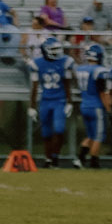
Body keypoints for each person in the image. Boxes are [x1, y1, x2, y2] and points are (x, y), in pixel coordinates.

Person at [28, 36, 73, 167]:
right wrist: (32, 106)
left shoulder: (65, 61)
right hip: (45, 100)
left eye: (57, 49)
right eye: (53, 50)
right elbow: (34, 87)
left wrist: (69, 102)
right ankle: (48, 159)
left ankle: (55, 158)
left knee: (59, 130)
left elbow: (67, 83)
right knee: (46, 132)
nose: (57, 52)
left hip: (60, 100)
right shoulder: (37, 63)